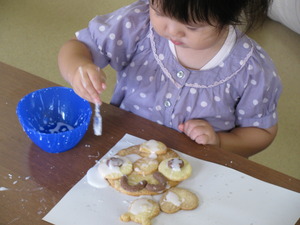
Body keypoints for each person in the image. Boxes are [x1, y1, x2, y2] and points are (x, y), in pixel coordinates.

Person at [58, 0, 282, 157]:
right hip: (124, 150)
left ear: (228, 15)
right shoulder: (138, 23)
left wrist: (221, 142)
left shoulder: (252, 69)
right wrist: (78, 68)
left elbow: (261, 132)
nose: (172, 30)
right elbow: (77, 47)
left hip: (199, 167)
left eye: (192, 26)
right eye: (161, 12)